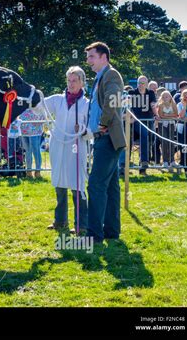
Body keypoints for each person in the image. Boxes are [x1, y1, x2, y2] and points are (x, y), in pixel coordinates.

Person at [85, 42, 126, 244]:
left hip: (108, 137)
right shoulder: (102, 76)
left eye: (92, 56)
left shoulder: (111, 75)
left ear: (104, 57)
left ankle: (94, 235)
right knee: (110, 187)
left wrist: (102, 123)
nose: (88, 61)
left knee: (95, 185)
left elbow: (113, 100)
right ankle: (111, 231)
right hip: (107, 137)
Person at [43, 66, 91, 234]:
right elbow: (39, 106)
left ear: (82, 82)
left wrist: (83, 130)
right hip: (58, 146)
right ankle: (60, 220)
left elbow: (93, 129)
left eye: (74, 81)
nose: (71, 84)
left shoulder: (87, 104)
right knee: (59, 183)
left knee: (77, 185)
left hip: (76, 148)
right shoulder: (57, 99)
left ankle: (82, 224)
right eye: (69, 80)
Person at [128, 76, 158, 175]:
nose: (141, 85)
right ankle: (144, 161)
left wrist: (157, 115)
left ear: (147, 84)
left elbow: (153, 105)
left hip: (149, 121)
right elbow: (128, 106)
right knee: (144, 134)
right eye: (139, 83)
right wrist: (130, 116)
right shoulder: (132, 93)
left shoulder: (151, 93)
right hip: (136, 121)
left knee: (150, 140)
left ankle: (142, 169)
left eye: (143, 83)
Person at [19, 107, 45, 178]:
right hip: (24, 132)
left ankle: (37, 171)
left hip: (35, 132)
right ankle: (29, 171)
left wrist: (38, 123)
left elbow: (44, 116)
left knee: (36, 151)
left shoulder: (38, 104)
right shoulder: (24, 103)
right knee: (27, 151)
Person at [156, 91, 179, 170]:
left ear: (170, 97)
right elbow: (161, 115)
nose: (165, 98)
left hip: (171, 124)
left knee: (171, 142)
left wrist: (167, 115)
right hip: (162, 125)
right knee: (164, 142)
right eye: (164, 97)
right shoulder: (161, 105)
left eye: (167, 96)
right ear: (161, 98)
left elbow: (176, 114)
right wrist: (170, 116)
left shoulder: (173, 104)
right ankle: (165, 161)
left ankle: (172, 160)